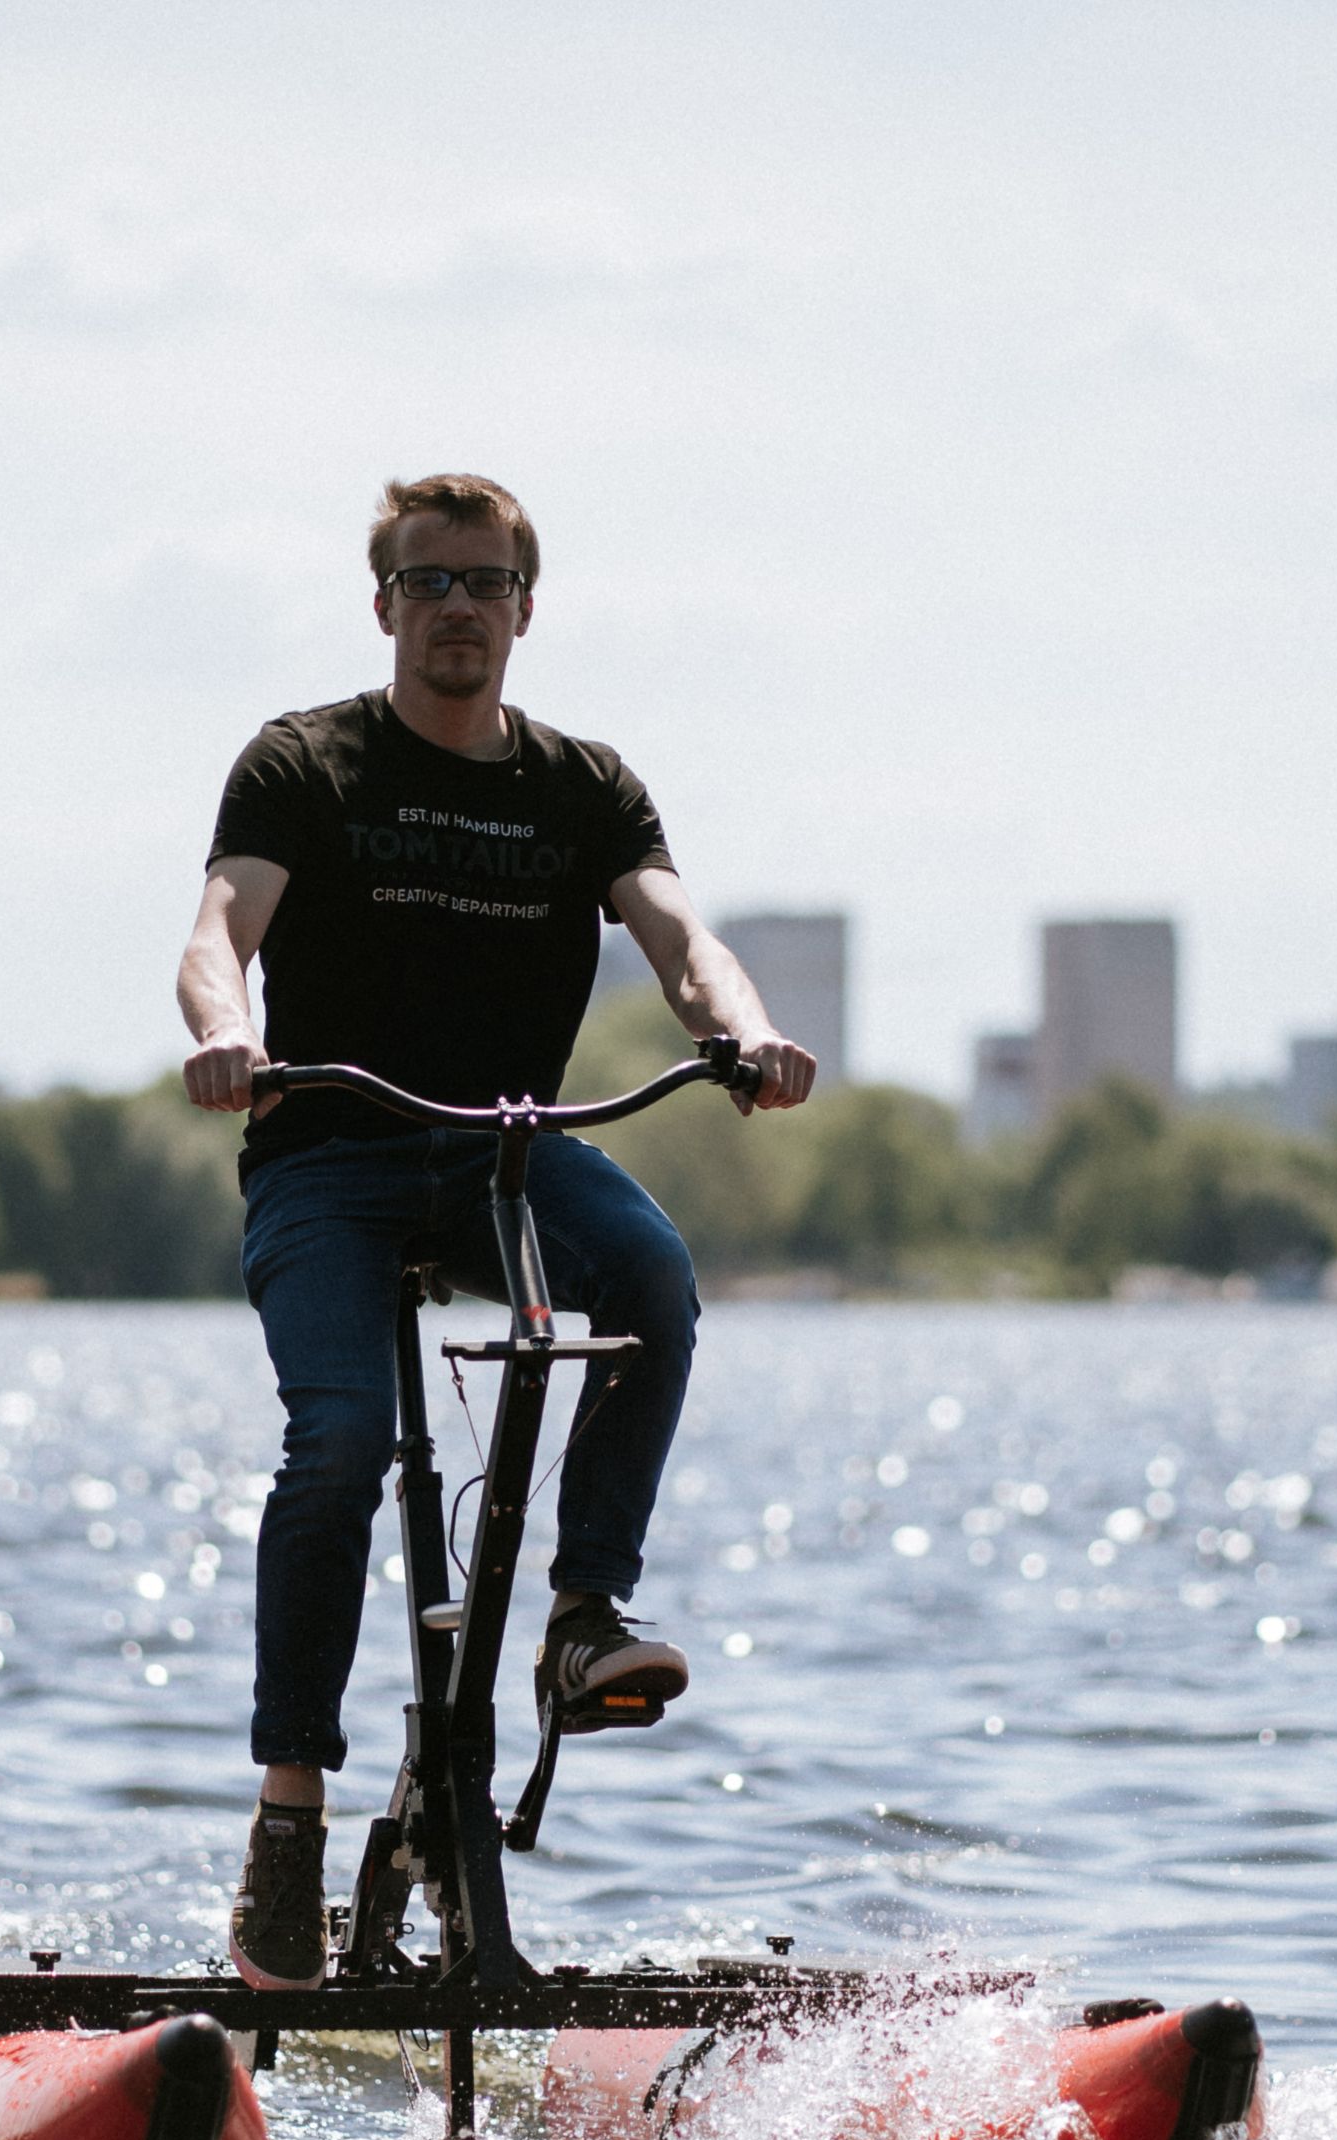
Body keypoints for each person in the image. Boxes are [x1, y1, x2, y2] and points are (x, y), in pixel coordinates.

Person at [174, 473, 818, 1988]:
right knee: (340, 1448)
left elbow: (678, 937)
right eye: (429, 581)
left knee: (651, 1280)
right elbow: (219, 932)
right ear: (384, 601)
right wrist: (223, 1033)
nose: (457, 606)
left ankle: (582, 1615)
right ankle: (290, 1823)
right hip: (328, 1150)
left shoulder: (581, 786)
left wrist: (745, 1030)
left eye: (485, 582)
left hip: (503, 1156)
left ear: (527, 607)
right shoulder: (303, 763)